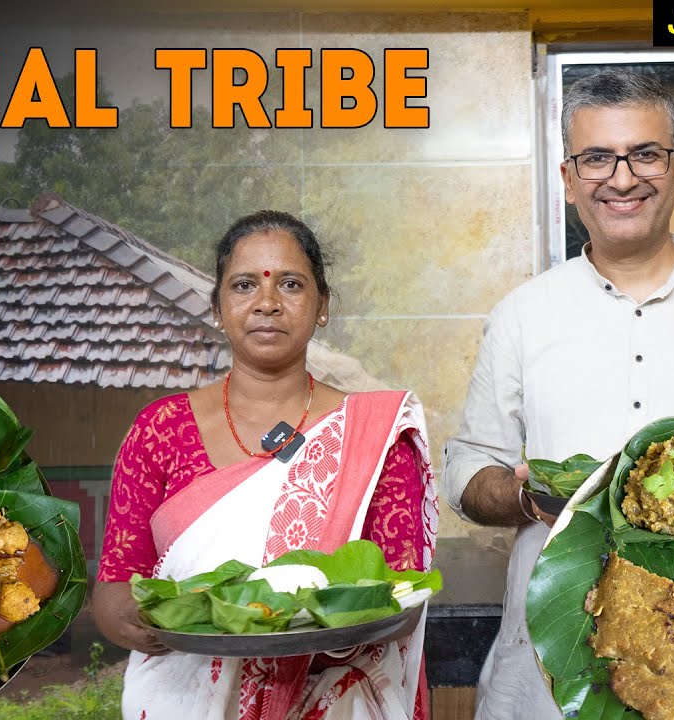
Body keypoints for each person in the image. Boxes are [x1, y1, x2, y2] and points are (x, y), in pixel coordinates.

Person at [442, 70, 674, 720]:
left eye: (645, 154)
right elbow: (466, 471)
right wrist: (526, 496)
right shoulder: (522, 316)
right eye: (597, 158)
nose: (622, 179)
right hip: (549, 664)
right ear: (568, 179)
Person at [94, 210, 439, 720]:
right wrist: (152, 620)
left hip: (337, 700)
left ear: (323, 306)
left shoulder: (376, 436)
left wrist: (308, 623)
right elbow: (115, 588)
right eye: (244, 285)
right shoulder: (160, 430)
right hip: (186, 696)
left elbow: (403, 596)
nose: (267, 302)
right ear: (218, 308)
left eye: (291, 284)